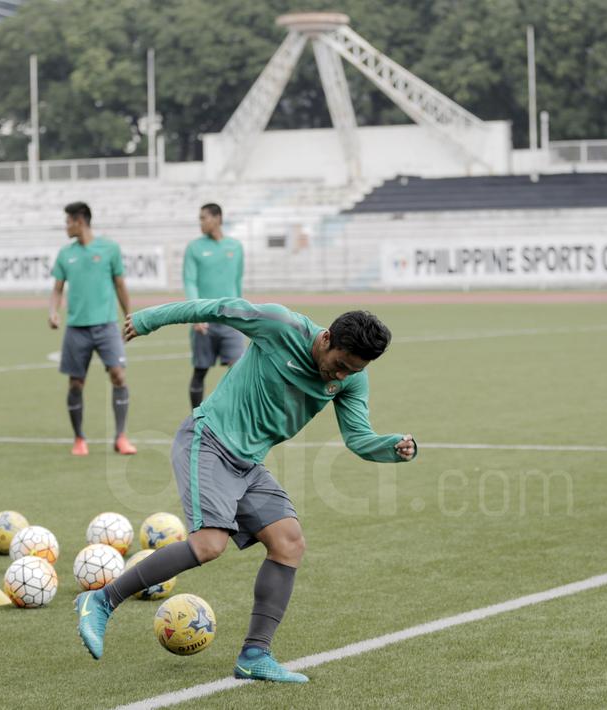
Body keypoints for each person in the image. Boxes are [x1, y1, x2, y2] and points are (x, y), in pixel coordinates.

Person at [75, 298, 417, 683]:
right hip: (208, 441)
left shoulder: (351, 378)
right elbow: (217, 308)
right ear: (326, 339)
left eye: (354, 370)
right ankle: (101, 600)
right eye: (340, 364)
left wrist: (391, 447)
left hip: (248, 463)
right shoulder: (279, 325)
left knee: (289, 543)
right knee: (209, 544)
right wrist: (148, 319)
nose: (341, 374)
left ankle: (255, 655)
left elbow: (357, 437)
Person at [49, 201, 136, 456]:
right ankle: (79, 438)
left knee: (118, 375)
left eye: (68, 222)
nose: (66, 226)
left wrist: (129, 316)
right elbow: (57, 289)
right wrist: (53, 311)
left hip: (107, 326)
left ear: (80, 221)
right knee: (76, 383)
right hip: (76, 329)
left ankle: (121, 437)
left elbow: (120, 285)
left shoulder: (109, 249)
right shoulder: (66, 254)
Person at [183, 203, 245, 408]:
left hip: (231, 319)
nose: (200, 222)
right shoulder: (194, 248)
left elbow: (237, 283)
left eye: (204, 218)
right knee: (200, 371)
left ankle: (235, 417)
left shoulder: (235, 247)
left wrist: (242, 314)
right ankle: (196, 420)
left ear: (217, 218)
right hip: (205, 321)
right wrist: (196, 314)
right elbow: (189, 281)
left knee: (239, 370)